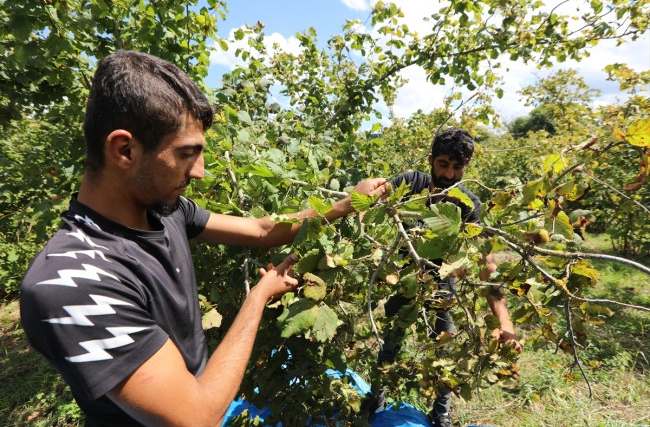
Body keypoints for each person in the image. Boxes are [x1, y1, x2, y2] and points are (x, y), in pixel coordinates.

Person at [20, 50, 388, 427]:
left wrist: (345, 204)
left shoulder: (166, 211)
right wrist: (258, 297)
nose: (201, 172)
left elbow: (261, 230)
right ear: (124, 150)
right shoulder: (70, 282)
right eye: (187, 153)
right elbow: (195, 417)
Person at [371, 128, 522, 427]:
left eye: (458, 167)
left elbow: (486, 264)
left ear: (466, 167)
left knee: (445, 350)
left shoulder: (468, 204)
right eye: (443, 164)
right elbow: (370, 199)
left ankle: (441, 415)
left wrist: (505, 323)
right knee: (390, 343)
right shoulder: (410, 182)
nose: (450, 174)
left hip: (442, 284)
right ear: (431, 160)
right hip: (404, 279)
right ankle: (375, 402)